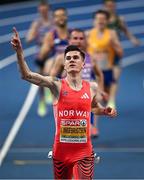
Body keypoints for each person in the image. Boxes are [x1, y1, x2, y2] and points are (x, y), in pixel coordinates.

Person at [11, 27, 117, 179]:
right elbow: (26, 75)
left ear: (83, 64)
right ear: (64, 65)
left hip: (84, 152)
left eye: (75, 58)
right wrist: (19, 53)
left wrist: (105, 111)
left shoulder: (92, 87)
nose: (72, 60)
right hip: (61, 152)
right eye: (68, 58)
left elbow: (93, 108)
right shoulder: (56, 85)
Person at [50, 29, 105, 137]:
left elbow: (99, 74)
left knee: (94, 102)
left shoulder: (91, 57)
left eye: (81, 38)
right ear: (69, 40)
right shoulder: (62, 58)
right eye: (75, 38)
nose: (78, 41)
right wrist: (56, 89)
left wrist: (100, 90)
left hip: (85, 92)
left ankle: (92, 126)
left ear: (85, 40)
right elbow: (52, 76)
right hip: (68, 93)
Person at [87, 9, 123, 136]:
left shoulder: (111, 33)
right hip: (95, 72)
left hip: (107, 70)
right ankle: (93, 127)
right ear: (94, 21)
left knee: (105, 99)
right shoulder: (88, 34)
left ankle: (110, 102)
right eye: (98, 19)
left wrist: (113, 45)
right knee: (95, 98)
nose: (100, 21)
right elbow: (83, 51)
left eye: (103, 19)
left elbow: (120, 53)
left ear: (107, 21)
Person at [104, 0, 140, 108]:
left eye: (112, 5)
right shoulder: (101, 20)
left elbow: (126, 30)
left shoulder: (119, 20)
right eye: (108, 6)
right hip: (104, 54)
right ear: (105, 7)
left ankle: (112, 101)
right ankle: (107, 96)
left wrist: (133, 39)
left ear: (114, 6)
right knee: (105, 81)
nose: (110, 8)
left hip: (115, 53)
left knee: (114, 78)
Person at [26, 0, 52, 116]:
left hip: (52, 52)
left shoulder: (53, 21)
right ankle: (41, 101)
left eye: (44, 8)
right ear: (39, 10)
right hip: (40, 53)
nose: (43, 10)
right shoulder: (36, 23)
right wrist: (34, 32)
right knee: (40, 78)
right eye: (41, 8)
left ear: (48, 8)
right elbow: (28, 39)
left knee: (49, 72)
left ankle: (49, 91)